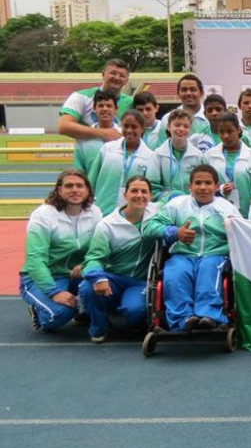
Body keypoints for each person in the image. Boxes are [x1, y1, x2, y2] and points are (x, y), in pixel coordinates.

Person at [143, 164, 241, 331]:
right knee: (176, 275)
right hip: (182, 254)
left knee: (208, 270)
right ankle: (184, 319)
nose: (203, 187)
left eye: (208, 183)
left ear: (216, 186)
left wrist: (232, 228)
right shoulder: (177, 205)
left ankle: (209, 316)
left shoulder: (227, 208)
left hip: (215, 254)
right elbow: (148, 227)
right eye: (198, 183)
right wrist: (175, 232)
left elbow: (242, 231)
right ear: (190, 186)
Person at [20, 170, 103, 332]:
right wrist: (54, 292)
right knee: (61, 314)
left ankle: (85, 310)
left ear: (87, 190)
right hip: (47, 275)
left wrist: (86, 264)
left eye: (79, 186)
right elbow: (35, 259)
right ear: (59, 190)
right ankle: (38, 310)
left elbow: (99, 249)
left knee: (107, 294)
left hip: (78, 274)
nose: (75, 190)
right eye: (69, 186)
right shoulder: (43, 215)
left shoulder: (95, 212)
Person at [79, 175, 158, 343]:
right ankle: (99, 325)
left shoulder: (157, 216)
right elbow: (94, 257)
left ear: (150, 196)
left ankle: (127, 313)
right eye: (134, 191)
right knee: (87, 287)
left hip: (140, 281)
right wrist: (97, 277)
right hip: (113, 278)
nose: (139, 195)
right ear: (125, 195)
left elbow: (176, 200)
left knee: (134, 312)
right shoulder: (107, 225)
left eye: (144, 191)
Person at [87, 109, 157, 215]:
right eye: (126, 126)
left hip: (131, 215)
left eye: (134, 127)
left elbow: (150, 190)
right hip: (102, 210)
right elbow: (91, 180)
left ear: (142, 129)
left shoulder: (149, 156)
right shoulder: (107, 149)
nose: (129, 130)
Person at [57, 58, 132, 151]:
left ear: (126, 80)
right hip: (88, 155)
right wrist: (103, 133)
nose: (117, 78)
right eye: (113, 73)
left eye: (122, 75)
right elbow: (63, 126)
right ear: (103, 74)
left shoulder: (131, 102)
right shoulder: (81, 97)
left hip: (118, 156)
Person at [204, 112, 251, 212]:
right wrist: (220, 188)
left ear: (239, 130)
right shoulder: (209, 156)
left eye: (230, 131)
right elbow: (204, 184)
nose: (226, 136)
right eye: (221, 132)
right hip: (217, 213)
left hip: (246, 212)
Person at [149, 109, 205, 202]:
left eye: (186, 126)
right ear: (168, 126)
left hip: (191, 205)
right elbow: (152, 188)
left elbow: (202, 184)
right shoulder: (158, 155)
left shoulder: (198, 156)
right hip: (166, 205)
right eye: (177, 125)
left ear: (190, 129)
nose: (181, 129)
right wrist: (168, 197)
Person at [73, 90, 121, 173]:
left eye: (109, 106)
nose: (105, 109)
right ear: (94, 109)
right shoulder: (84, 139)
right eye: (101, 106)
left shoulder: (123, 136)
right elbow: (79, 170)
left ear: (115, 109)